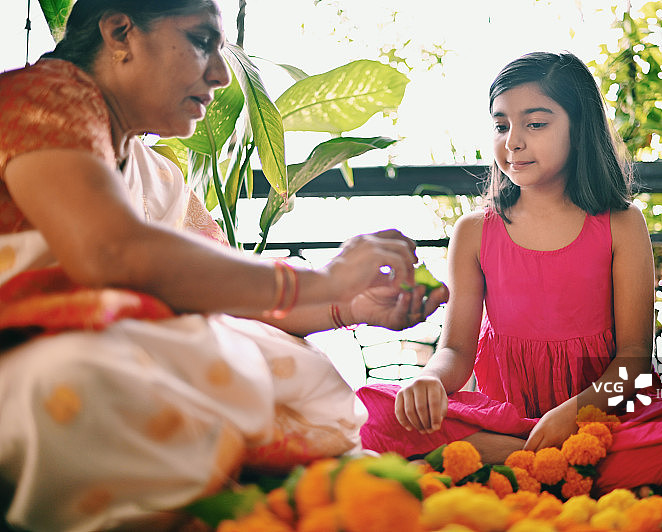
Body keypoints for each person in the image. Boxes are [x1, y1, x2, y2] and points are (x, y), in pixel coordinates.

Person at [0, 1, 448, 530]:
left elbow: (229, 294)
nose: (220, 73)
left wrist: (347, 304)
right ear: (120, 32)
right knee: (76, 376)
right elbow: (110, 254)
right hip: (27, 356)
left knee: (286, 361)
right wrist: (324, 279)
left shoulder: (154, 174)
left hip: (108, 350)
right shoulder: (44, 94)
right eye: (200, 40)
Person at [357, 51, 662, 504]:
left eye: (535, 124)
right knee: (372, 412)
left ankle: (506, 466)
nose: (514, 142)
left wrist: (575, 413)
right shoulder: (473, 232)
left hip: (605, 419)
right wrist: (428, 380)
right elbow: (455, 350)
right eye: (501, 125)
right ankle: (556, 468)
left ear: (578, 130)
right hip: (506, 421)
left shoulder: (622, 224)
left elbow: (636, 358)